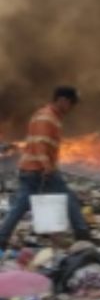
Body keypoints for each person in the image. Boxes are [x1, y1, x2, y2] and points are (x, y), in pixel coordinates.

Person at [0, 87, 90, 250]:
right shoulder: (47, 117)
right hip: (39, 169)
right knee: (67, 197)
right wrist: (47, 167)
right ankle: (82, 234)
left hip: (30, 169)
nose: (71, 108)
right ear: (62, 100)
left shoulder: (45, 115)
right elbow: (40, 143)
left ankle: (2, 237)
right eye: (71, 103)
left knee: (20, 206)